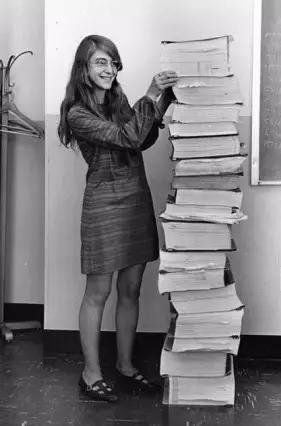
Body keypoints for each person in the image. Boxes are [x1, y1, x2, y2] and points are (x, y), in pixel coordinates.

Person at [57, 35, 177, 402]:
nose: (109, 69)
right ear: (84, 67)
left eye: (112, 62)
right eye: (100, 62)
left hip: (134, 199)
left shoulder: (119, 101)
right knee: (98, 292)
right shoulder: (77, 113)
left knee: (130, 289)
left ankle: (125, 365)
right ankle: (91, 373)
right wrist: (151, 93)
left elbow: (141, 139)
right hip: (104, 205)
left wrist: (163, 99)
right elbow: (128, 136)